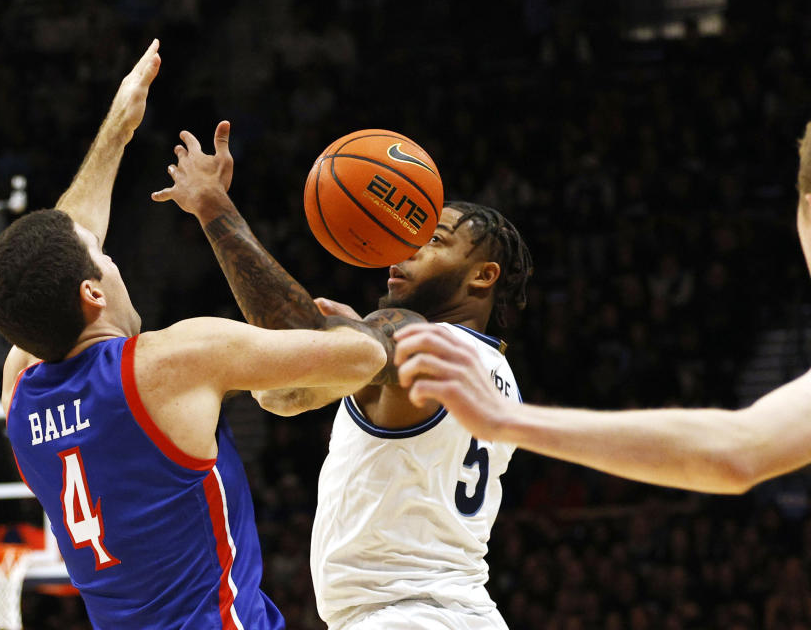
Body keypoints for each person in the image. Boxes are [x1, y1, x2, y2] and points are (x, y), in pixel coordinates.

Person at [0, 41, 387, 630]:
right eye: (104, 260)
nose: (112, 259)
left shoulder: (20, 386)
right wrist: (214, 209)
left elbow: (63, 241)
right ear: (92, 295)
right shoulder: (171, 361)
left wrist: (118, 130)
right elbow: (364, 357)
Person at [153, 134, 534, 629]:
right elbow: (282, 396)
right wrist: (347, 355)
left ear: (483, 277)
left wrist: (212, 206)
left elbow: (293, 343)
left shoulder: (418, 338)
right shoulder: (496, 373)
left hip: (406, 617)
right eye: (408, 231)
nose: (406, 245)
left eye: (432, 239)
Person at [391, 120, 811, 497]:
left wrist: (504, 419)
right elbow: (739, 451)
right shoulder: (482, 358)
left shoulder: (427, 341)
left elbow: (737, 452)